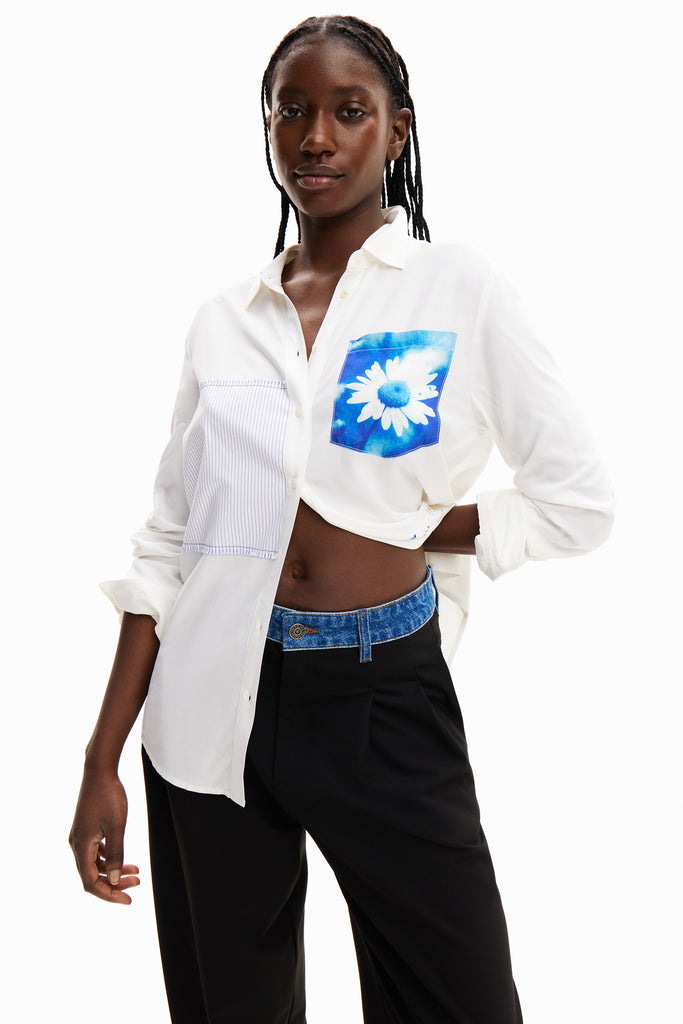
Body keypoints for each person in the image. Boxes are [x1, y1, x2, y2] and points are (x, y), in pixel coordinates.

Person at [69, 14, 614, 1024]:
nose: (314, 136)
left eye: (348, 111)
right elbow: (167, 545)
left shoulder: (457, 290)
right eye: (292, 111)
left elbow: (576, 501)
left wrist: (407, 522)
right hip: (212, 695)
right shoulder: (224, 319)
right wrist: (100, 759)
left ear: (395, 131)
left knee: (459, 999)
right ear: (268, 129)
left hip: (381, 697)